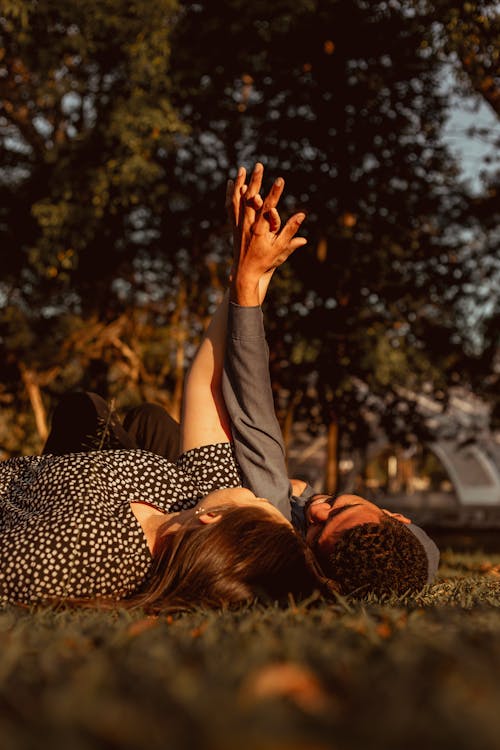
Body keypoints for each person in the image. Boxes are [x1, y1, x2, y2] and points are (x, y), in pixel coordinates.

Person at [0, 174, 327, 612]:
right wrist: (248, 273)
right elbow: (204, 386)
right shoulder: (198, 497)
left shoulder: (100, 552)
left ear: (214, 520)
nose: (254, 491)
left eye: (255, 501)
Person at [221, 163, 440, 597]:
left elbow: (256, 423)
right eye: (340, 507)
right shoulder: (403, 556)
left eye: (317, 531)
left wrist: (247, 280)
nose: (318, 511)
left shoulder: (280, 526)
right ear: (398, 520)